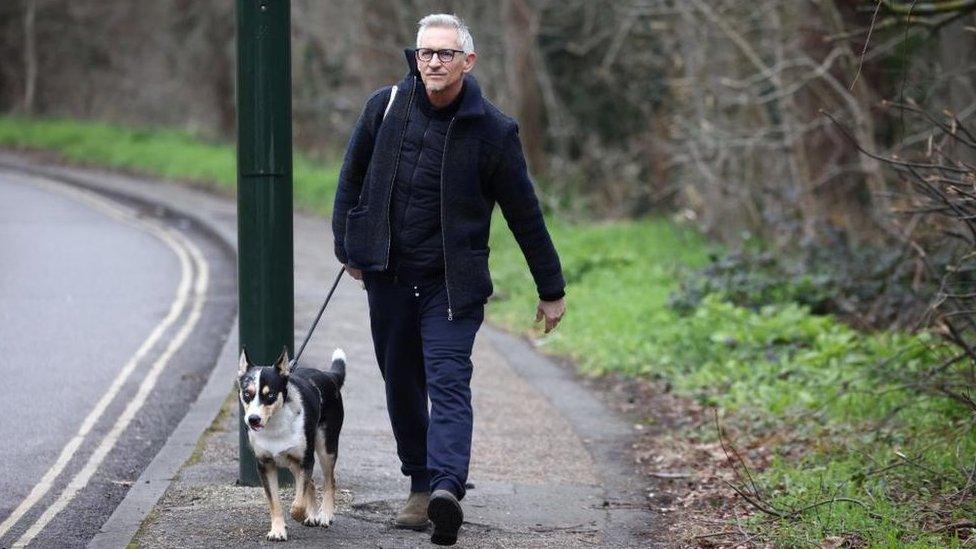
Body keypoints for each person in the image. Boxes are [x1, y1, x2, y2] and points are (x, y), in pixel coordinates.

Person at [331, 12, 566, 546]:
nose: (433, 62)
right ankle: (419, 482)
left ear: (468, 61)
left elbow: (524, 214)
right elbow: (352, 179)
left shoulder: (494, 131)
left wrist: (550, 289)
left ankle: (445, 489)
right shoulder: (385, 108)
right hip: (389, 277)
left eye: (444, 53)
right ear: (415, 59)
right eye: (425, 53)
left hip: (451, 287)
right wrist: (349, 247)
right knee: (402, 384)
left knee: (448, 381)